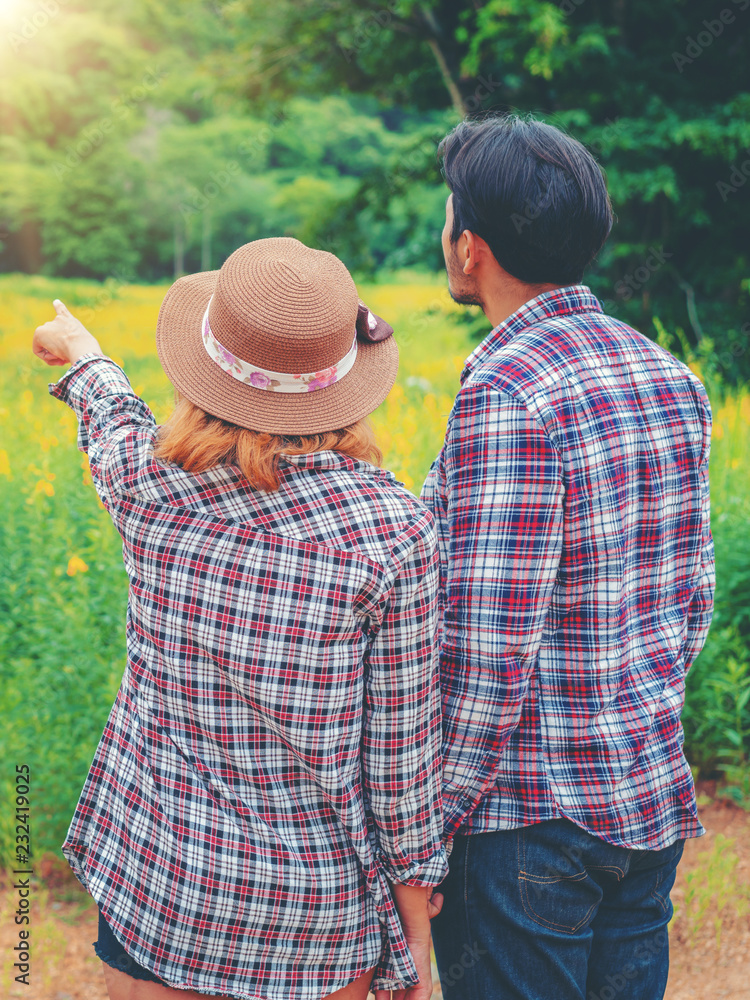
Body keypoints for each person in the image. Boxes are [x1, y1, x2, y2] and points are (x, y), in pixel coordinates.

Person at [33, 237, 447, 1000]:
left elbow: (111, 415)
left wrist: (82, 350)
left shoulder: (146, 486)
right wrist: (416, 928)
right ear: (343, 380)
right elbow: (400, 763)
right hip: (317, 922)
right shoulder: (395, 532)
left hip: (162, 892)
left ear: (205, 365)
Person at [424, 115, 714, 1000]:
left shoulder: (507, 393)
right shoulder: (666, 373)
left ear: (469, 247)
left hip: (526, 825)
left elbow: (488, 652)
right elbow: (690, 597)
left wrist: (431, 826)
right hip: (641, 800)